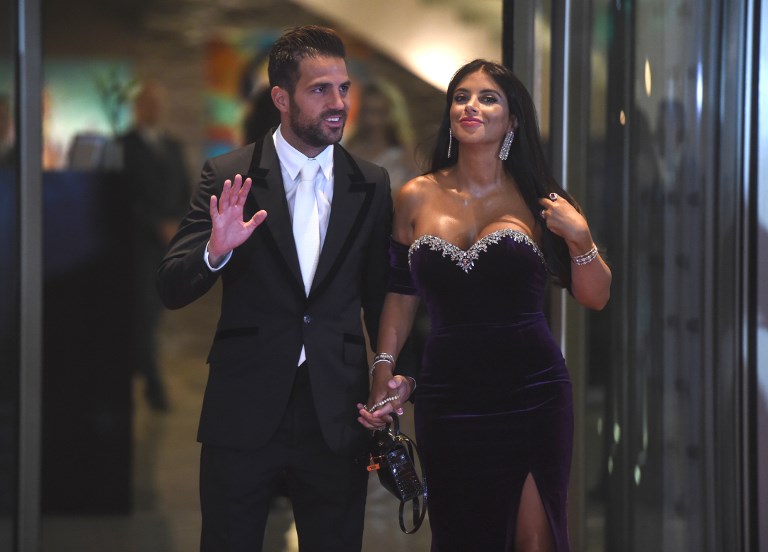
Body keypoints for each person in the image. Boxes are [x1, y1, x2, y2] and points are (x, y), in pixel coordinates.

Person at [357, 59, 612, 551]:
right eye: (461, 97)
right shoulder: (415, 196)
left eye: (487, 97)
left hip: (534, 392)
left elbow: (595, 296)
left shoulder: (541, 200)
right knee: (462, 538)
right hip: (449, 398)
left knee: (534, 541)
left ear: (512, 120)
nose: (470, 106)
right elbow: (400, 292)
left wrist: (581, 238)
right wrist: (383, 369)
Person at [156, 26, 395, 551]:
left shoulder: (372, 183)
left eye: (344, 88)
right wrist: (215, 252)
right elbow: (171, 285)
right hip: (243, 407)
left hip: (336, 411)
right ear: (281, 98)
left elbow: (383, 296)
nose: (339, 103)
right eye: (320, 90)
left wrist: (393, 372)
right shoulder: (228, 175)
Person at [119, 80, 192, 412]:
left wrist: (177, 223)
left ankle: (143, 374)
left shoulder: (172, 146)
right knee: (144, 316)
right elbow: (122, 197)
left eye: (159, 103)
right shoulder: (123, 146)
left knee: (156, 314)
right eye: (149, 103)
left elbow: (185, 189)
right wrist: (156, 224)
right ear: (138, 107)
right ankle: (152, 384)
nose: (155, 109)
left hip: (170, 245)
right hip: (138, 246)